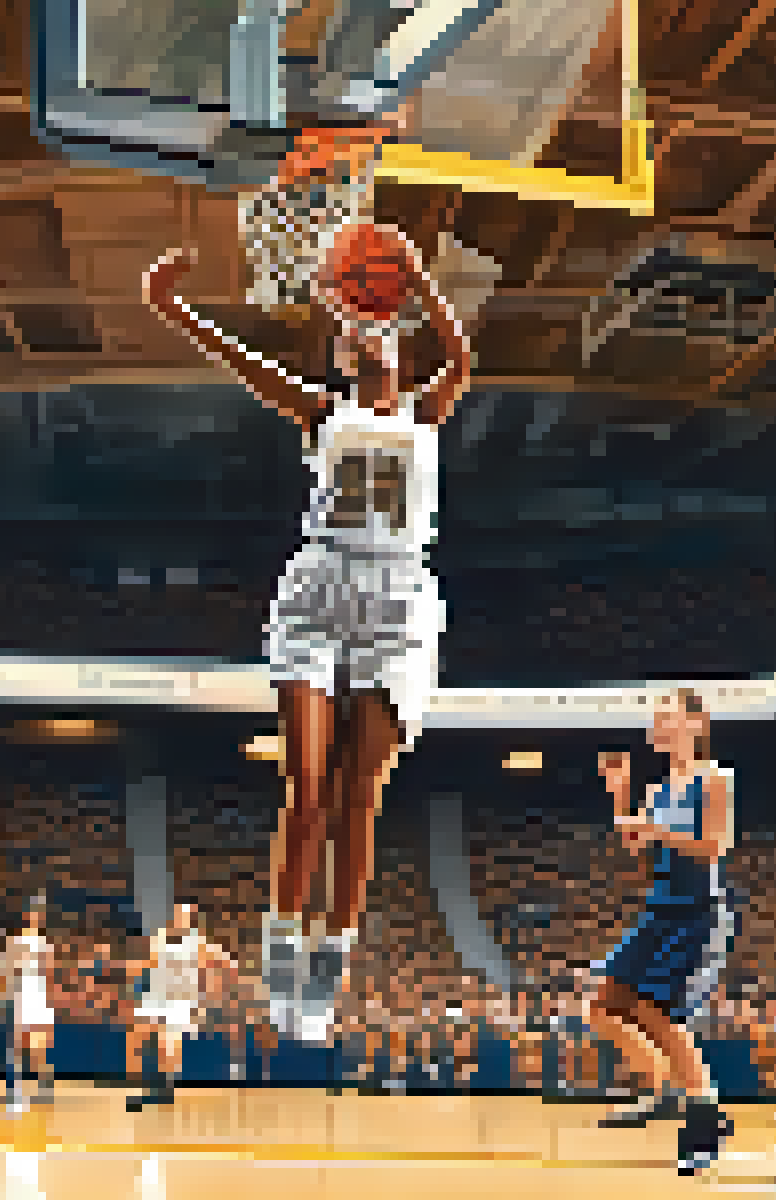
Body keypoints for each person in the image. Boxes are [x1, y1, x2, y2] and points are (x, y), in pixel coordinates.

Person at [143, 218, 470, 1043]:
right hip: (320, 588)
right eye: (361, 343)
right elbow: (243, 362)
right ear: (351, 363)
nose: (374, 348)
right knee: (308, 786)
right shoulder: (319, 411)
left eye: (384, 341)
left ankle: (326, 972)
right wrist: (173, 309)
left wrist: (421, 281)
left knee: (361, 799)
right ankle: (280, 957)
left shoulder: (429, 414)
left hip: (399, 603)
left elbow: (463, 359)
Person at [580, 688, 740, 1175]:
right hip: (661, 907)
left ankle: (702, 1119)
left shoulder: (714, 778)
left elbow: (715, 846)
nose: (659, 724)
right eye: (656, 717)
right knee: (602, 1004)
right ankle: (669, 1090)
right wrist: (620, 793)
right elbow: (636, 847)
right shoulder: (659, 788)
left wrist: (658, 832)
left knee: (656, 1013)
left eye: (667, 716)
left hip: (697, 910)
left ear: (694, 724)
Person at [125, 902, 231, 1111]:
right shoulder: (159, 938)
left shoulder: (199, 943)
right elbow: (140, 965)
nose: (180, 918)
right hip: (154, 998)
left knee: (167, 1046)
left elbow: (224, 964)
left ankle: (163, 1089)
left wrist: (205, 998)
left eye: (185, 915)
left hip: (179, 1000)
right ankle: (139, 1087)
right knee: (135, 1037)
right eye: (177, 914)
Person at [1, 896, 60, 1113]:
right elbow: (7, 972)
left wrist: (50, 1004)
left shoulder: (46, 945)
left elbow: (51, 977)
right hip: (21, 998)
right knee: (17, 1048)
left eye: (40, 914)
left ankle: (44, 1090)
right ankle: (15, 1094)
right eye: (33, 914)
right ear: (26, 916)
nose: (36, 918)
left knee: (39, 1051)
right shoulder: (14, 942)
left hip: (40, 1000)